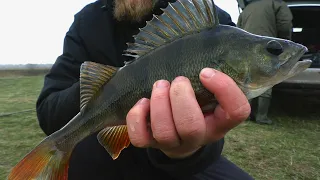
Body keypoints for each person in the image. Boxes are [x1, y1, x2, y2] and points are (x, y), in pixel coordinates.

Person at [36, 0, 253, 179]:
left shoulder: (212, 22)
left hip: (182, 167)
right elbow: (49, 111)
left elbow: (214, 123)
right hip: (101, 156)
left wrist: (188, 151)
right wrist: (103, 90)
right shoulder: (87, 21)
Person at [237, 0, 293, 124]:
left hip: (246, 49)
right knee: (266, 78)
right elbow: (285, 23)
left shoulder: (247, 8)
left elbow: (238, 29)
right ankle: (261, 117)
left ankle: (245, 114)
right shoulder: (276, 3)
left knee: (246, 79)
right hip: (267, 48)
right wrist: (285, 43)